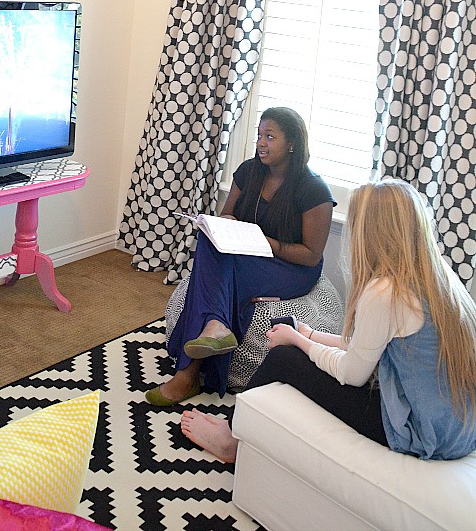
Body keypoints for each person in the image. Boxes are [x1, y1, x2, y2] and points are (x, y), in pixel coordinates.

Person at [181, 179, 476, 462]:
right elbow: (370, 347)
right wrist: (309, 333)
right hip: (457, 428)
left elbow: (353, 373)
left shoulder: (385, 291)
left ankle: (231, 438)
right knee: (292, 335)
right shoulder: (438, 279)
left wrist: (297, 341)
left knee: (284, 357)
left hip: (420, 432)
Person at [146, 106, 334, 406]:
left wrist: (265, 242)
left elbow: (311, 256)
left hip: (291, 267)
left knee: (220, 269)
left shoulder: (314, 189)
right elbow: (226, 216)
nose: (261, 143)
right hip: (248, 254)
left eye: (270, 136)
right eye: (259, 135)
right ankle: (215, 329)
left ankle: (188, 373)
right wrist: (227, 225)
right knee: (209, 240)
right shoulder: (249, 171)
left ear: (292, 143)